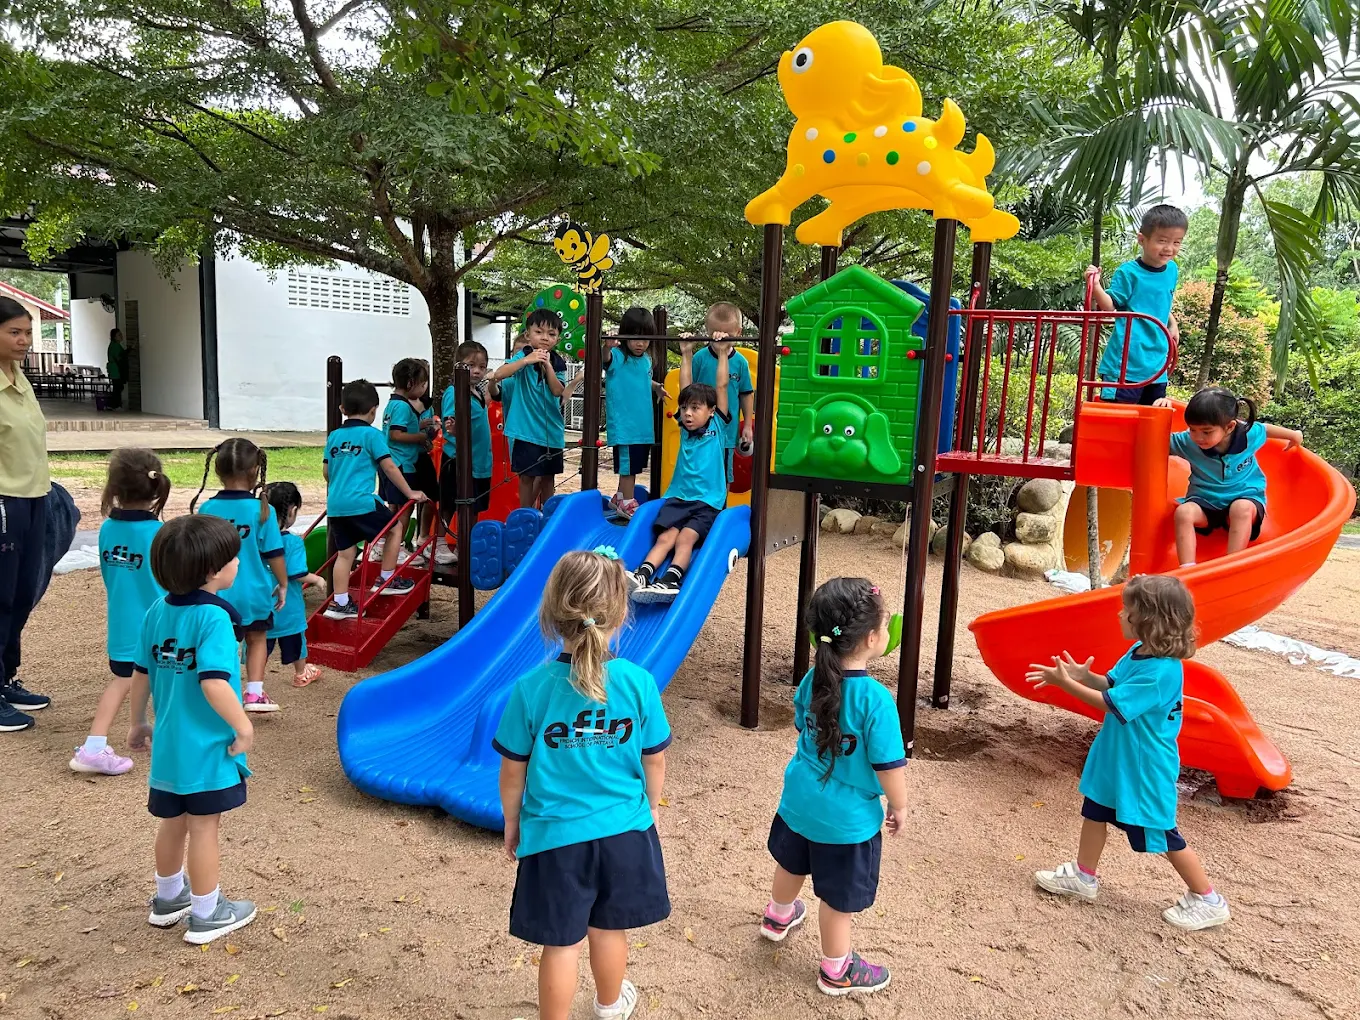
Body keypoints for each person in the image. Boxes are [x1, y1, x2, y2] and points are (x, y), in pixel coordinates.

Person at [494, 549, 671, 1020]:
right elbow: (655, 760)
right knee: (610, 928)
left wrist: (513, 822)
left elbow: (512, 771)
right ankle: (610, 1007)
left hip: (555, 839)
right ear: (621, 612)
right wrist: (650, 807)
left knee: (560, 944)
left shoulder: (530, 689)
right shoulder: (638, 683)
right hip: (623, 834)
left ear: (554, 614)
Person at [1027, 574, 1230, 931]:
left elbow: (1111, 704)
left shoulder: (1161, 671)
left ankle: (1208, 899)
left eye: (1127, 610)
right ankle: (1084, 876)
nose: (1120, 615)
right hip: (1119, 758)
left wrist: (1067, 685)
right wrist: (1086, 676)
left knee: (1162, 832)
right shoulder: (1139, 653)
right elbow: (1113, 685)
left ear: (1149, 620)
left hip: (1143, 767)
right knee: (1095, 811)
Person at [761, 577, 906, 996]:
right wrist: (900, 805)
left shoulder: (813, 680)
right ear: (875, 637)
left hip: (799, 801)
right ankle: (837, 970)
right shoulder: (875, 700)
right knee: (838, 900)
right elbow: (888, 765)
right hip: (846, 822)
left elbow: (800, 726)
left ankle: (778, 915)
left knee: (791, 862)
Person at [129, 513, 257, 944]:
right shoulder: (215, 619)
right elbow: (214, 681)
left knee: (173, 823)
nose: (237, 564)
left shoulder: (156, 610)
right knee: (204, 827)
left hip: (168, 745)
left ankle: (168, 899)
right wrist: (243, 726)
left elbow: (141, 672)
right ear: (211, 570)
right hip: (205, 748)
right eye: (233, 559)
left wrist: (137, 721)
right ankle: (206, 913)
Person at [72, 449, 171, 775]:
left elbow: (111, 576)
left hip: (122, 627)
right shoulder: (159, 534)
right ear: (156, 489)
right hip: (160, 625)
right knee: (172, 682)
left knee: (124, 681)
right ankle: (98, 747)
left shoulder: (107, 530)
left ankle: (110, 738)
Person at [191, 439, 289, 713]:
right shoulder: (261, 509)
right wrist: (282, 583)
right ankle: (254, 694)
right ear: (256, 469)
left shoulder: (208, 509)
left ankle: (217, 691)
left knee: (219, 640)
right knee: (257, 639)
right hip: (254, 591)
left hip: (214, 593)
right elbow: (274, 552)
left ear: (218, 469)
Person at [628, 340, 730, 603]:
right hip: (679, 498)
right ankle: (642, 574)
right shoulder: (686, 430)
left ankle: (671, 579)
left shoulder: (717, 426)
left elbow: (721, 386)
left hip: (707, 502)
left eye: (695, 408)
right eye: (685, 408)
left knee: (685, 538)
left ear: (711, 411)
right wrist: (686, 353)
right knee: (665, 537)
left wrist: (721, 354)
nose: (688, 413)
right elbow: (684, 388)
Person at [1155, 387, 1302, 566]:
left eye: (1206, 432)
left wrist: (1294, 435)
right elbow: (1153, 441)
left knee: (1241, 509)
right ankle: (1187, 568)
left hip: (1244, 496)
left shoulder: (1247, 434)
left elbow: (1265, 429)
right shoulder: (1187, 442)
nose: (1198, 437)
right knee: (1183, 512)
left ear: (1230, 427)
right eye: (1192, 429)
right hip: (1205, 501)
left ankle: (1231, 564)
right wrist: (1158, 415)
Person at [322, 379, 427, 620]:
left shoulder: (334, 436)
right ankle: (388, 577)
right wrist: (410, 493)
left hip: (336, 506)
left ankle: (339, 603)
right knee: (395, 529)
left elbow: (327, 473)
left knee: (345, 554)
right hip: (360, 502)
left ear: (342, 409)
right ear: (373, 411)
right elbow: (389, 467)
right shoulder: (372, 435)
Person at [0, 296, 53, 733]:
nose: (23, 341)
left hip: (34, 497)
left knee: (21, 594)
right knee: (0, 597)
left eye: (27, 333)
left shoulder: (19, 378)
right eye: (13, 332)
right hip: (3, 502)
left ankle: (6, 678)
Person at [1084, 204, 1187, 404]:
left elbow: (1160, 302)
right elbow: (1110, 306)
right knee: (1118, 422)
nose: (1169, 248)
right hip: (1126, 363)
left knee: (1151, 423)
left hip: (1157, 363)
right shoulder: (1128, 272)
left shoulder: (1172, 270)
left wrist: (1173, 324)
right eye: (1162, 241)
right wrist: (1096, 286)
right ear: (1142, 239)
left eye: (1177, 242)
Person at [494, 309, 568, 510]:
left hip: (550, 431)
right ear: (528, 335)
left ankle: (547, 514)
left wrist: (548, 366)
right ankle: (525, 514)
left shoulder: (558, 362)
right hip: (524, 431)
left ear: (557, 339)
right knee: (526, 476)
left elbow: (557, 390)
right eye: (539, 332)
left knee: (547, 477)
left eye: (551, 334)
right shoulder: (523, 357)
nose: (545, 338)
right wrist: (526, 360)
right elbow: (499, 374)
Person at [438, 342, 500, 565]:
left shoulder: (476, 391)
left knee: (473, 507)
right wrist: (452, 427)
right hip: (458, 460)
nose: (477, 370)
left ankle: (468, 544)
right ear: (458, 366)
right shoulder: (454, 392)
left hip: (480, 461)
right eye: (471, 365)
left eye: (482, 366)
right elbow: (450, 422)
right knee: (450, 504)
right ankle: (439, 543)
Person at [263, 482, 326, 688]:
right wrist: (317, 579)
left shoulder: (257, 538)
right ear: (292, 511)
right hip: (288, 607)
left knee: (260, 643)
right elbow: (297, 573)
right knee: (296, 641)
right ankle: (301, 673)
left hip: (262, 605)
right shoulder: (293, 543)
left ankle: (256, 680)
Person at [606, 307, 664, 519]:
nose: (640, 344)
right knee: (628, 468)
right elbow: (606, 359)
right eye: (634, 338)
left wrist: (656, 386)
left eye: (645, 338)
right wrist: (607, 346)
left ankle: (620, 498)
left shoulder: (646, 360)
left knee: (635, 466)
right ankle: (627, 502)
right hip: (626, 426)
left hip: (642, 425)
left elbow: (642, 380)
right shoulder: (618, 356)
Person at [689, 303, 754, 484]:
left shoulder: (740, 362)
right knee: (700, 472)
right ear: (708, 332)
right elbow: (687, 389)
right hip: (701, 429)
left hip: (726, 431)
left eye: (727, 336)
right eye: (716, 336)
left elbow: (746, 394)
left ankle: (720, 508)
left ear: (738, 332)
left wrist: (747, 425)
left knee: (723, 474)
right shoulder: (700, 358)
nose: (721, 341)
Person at [379, 358, 435, 567]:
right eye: (423, 384)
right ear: (411, 384)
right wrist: (421, 437)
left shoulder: (393, 404)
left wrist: (419, 425)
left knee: (395, 507)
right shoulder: (402, 407)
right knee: (405, 508)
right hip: (402, 464)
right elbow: (396, 434)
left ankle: (385, 543)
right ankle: (398, 546)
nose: (424, 388)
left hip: (393, 463)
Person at [106, 328, 129, 411]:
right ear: (114, 337)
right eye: (119, 335)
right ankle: (115, 405)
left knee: (118, 387)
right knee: (117, 388)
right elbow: (120, 357)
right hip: (116, 369)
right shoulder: (114, 346)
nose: (121, 336)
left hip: (115, 369)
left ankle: (115, 404)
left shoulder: (116, 345)